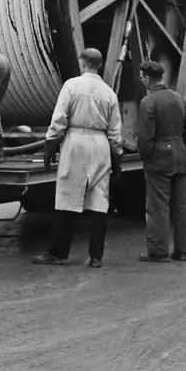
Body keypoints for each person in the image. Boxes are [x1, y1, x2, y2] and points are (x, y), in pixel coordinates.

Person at [32, 47, 123, 268]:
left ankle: (58, 252)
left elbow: (59, 120)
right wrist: (117, 162)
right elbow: (115, 133)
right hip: (100, 144)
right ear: (99, 65)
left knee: (68, 197)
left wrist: (49, 148)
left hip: (76, 142)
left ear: (82, 63)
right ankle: (96, 256)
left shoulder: (71, 86)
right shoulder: (109, 93)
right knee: (98, 201)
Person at [137, 59, 186, 263]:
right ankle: (182, 251)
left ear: (147, 79)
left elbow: (145, 136)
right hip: (181, 157)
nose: (140, 79)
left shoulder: (148, 102)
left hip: (159, 159)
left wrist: (146, 156)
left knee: (158, 206)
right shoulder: (180, 99)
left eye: (141, 76)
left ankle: (159, 251)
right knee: (181, 207)